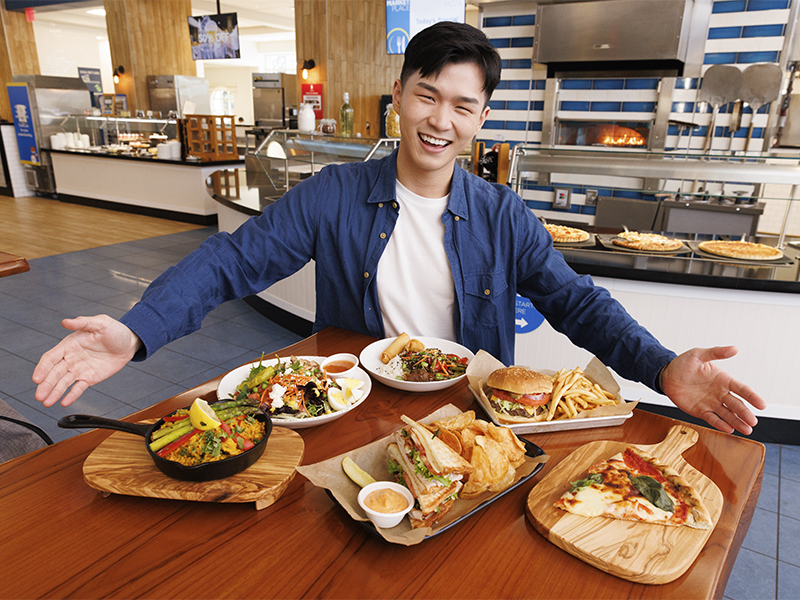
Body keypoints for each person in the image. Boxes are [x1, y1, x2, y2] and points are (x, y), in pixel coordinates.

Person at [32, 22, 765, 435]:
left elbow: (577, 303)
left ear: (480, 119)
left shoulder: (503, 215)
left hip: (474, 422)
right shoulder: (335, 195)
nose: (440, 121)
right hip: (354, 411)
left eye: (462, 106)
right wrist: (136, 332)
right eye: (426, 95)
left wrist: (662, 367)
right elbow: (231, 261)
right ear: (400, 97)